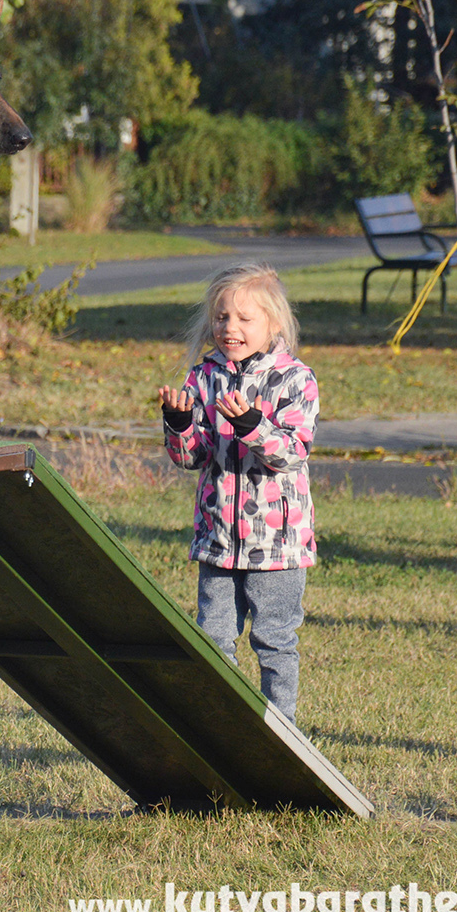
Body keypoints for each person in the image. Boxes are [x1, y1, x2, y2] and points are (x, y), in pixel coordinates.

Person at [157, 263, 319, 721]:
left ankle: (281, 729)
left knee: (274, 638)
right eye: (223, 317)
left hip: (278, 544)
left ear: (274, 324)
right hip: (218, 541)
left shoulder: (295, 379)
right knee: (212, 637)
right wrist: (180, 424)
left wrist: (251, 425)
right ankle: (221, 726)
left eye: (245, 319)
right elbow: (192, 457)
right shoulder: (203, 377)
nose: (231, 328)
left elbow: (291, 451)